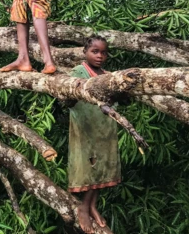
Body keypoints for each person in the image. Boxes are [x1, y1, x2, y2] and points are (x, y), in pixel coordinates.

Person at [68, 36, 121, 233]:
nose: (100, 56)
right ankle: (83, 207)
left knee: (102, 169)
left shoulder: (108, 75)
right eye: (95, 51)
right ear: (85, 52)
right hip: (85, 128)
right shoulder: (78, 72)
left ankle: (92, 206)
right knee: (89, 167)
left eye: (104, 52)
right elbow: (67, 95)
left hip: (105, 129)